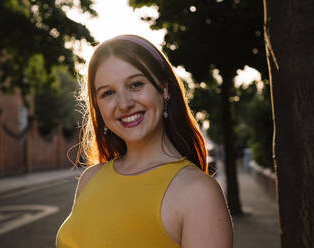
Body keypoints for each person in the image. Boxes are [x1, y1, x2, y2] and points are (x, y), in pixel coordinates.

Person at [56, 34, 233, 248]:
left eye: (135, 84)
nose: (123, 103)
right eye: (108, 93)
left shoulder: (198, 193)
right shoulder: (90, 178)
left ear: (164, 88)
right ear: (98, 107)